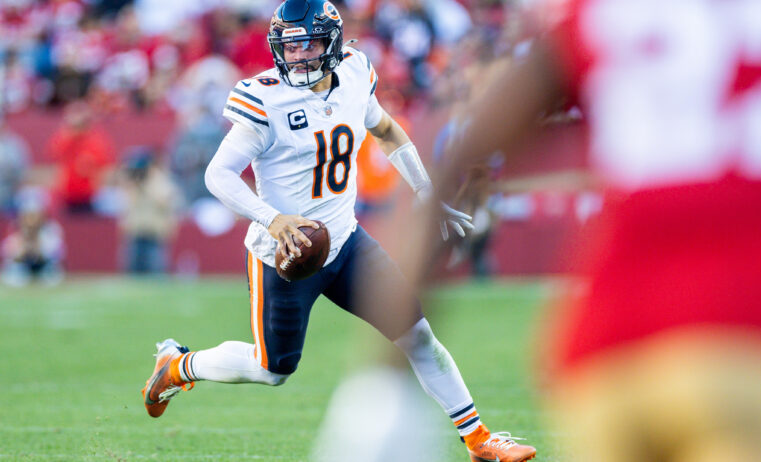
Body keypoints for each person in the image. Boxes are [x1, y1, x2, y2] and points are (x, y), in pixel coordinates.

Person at [419, 1, 761, 462]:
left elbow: (460, 152)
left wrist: (384, 387)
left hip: (603, 348)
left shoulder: (606, 12)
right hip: (754, 335)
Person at [140, 2, 537, 461]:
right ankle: (178, 365)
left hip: (345, 239)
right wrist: (273, 218)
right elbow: (218, 175)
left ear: (331, 42)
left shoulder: (354, 72)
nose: (299, 55)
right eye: (289, 46)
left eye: (308, 43)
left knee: (417, 333)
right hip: (285, 254)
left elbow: (386, 130)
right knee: (273, 370)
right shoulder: (265, 98)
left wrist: (427, 190)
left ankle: (479, 439)